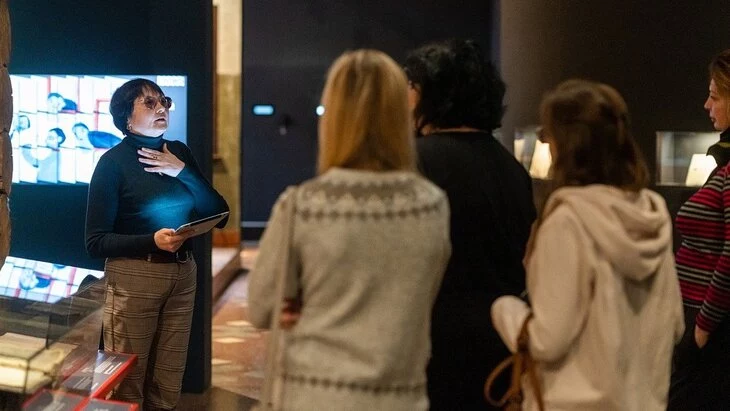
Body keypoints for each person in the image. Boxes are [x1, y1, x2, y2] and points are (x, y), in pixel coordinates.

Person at [248, 49, 451, 411]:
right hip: (400, 397)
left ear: (333, 117)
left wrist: (307, 301)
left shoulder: (301, 205)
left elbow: (262, 307)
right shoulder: (431, 204)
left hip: (313, 397)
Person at [491, 79, 684, 410]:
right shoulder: (650, 214)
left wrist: (505, 310)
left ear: (566, 145)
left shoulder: (568, 220)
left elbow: (547, 339)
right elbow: (675, 324)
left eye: (549, 137)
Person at [403, 38, 536, 410]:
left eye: (412, 87)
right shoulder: (511, 168)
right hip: (499, 345)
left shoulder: (416, 161)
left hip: (433, 346)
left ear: (434, 95)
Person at [85, 78, 229, 410]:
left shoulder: (179, 153)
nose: (161, 107)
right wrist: (151, 240)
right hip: (135, 276)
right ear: (126, 117)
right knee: (128, 383)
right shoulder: (112, 163)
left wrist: (182, 171)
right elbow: (95, 242)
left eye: (163, 101)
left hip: (183, 274)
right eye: (149, 103)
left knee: (168, 384)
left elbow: (220, 213)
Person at [669, 49, 730, 410]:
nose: (707, 105)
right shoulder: (724, 161)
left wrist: (702, 329)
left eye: (715, 96)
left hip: (714, 330)